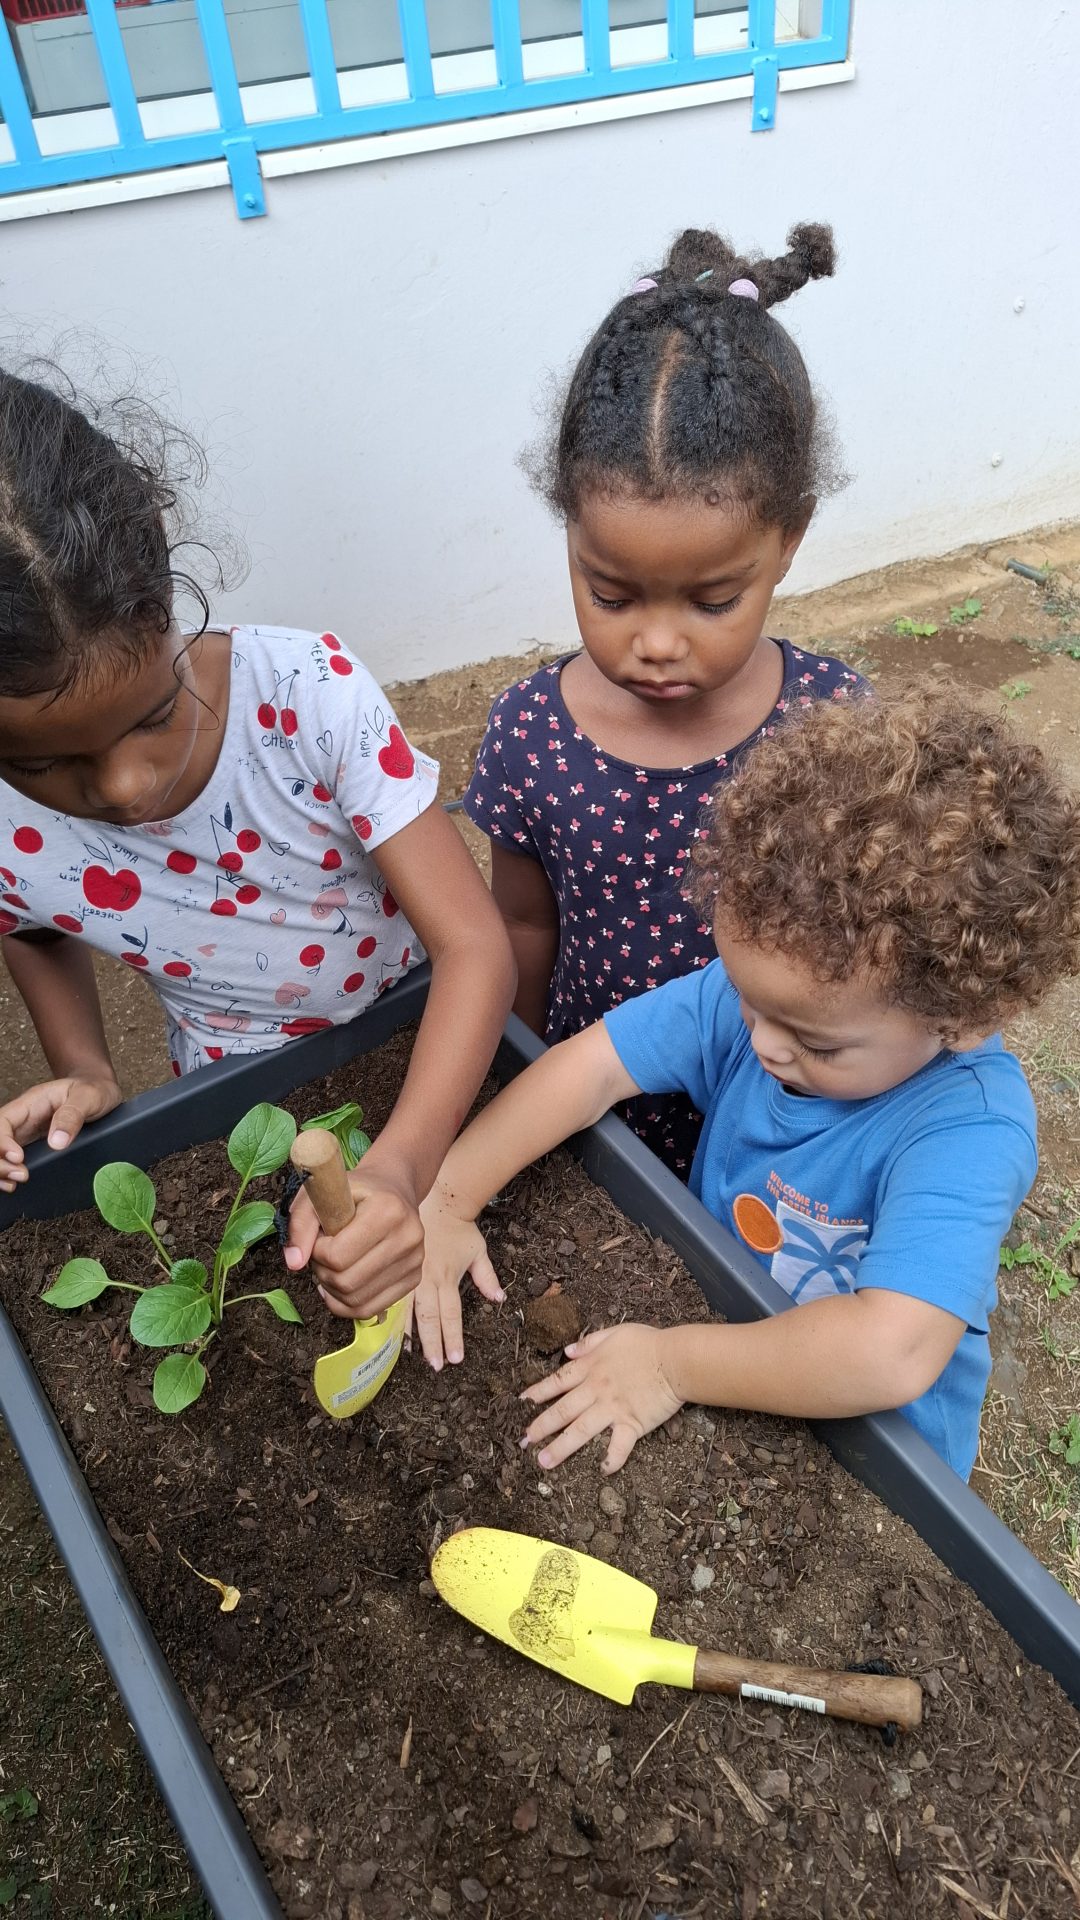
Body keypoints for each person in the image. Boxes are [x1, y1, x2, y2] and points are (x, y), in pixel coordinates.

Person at [418, 690, 1080, 1479]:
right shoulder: (771, 1001)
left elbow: (890, 1351)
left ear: (965, 1015)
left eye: (815, 1042)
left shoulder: (968, 1129)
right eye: (747, 997)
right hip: (730, 1321)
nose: (761, 1042)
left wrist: (669, 1366)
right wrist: (449, 1198)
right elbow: (590, 1066)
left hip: (878, 1454)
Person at [0, 367, 514, 1309]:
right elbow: (30, 919)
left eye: (151, 715)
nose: (122, 787)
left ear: (156, 564)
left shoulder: (309, 696)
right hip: (227, 1090)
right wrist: (83, 1068)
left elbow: (476, 948)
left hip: (417, 1035)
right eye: (44, 768)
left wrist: (401, 1169)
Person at [464, 221, 865, 1185]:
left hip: (770, 1113)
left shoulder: (836, 727)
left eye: (712, 599)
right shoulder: (530, 733)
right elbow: (522, 926)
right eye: (610, 593)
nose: (655, 641)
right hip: (586, 1102)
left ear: (789, 541)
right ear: (571, 535)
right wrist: (506, 1079)